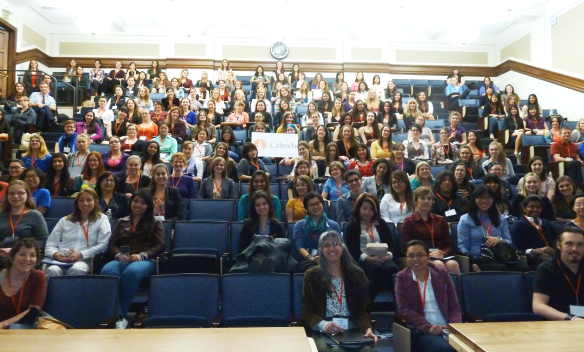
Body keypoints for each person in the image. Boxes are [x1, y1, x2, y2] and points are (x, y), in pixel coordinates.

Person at [301, 230, 377, 352]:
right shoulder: (312, 275)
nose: (332, 248)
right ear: (321, 250)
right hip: (323, 330)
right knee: (336, 351)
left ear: (342, 247)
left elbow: (361, 311)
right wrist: (323, 325)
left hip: (352, 327)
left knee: (368, 350)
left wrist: (368, 328)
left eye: (336, 243)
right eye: (326, 245)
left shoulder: (357, 274)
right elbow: (307, 312)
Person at [101, 190, 165, 329]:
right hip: (122, 259)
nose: (138, 205)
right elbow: (112, 244)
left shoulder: (155, 223)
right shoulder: (121, 221)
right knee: (107, 270)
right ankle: (107, 313)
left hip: (146, 261)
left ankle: (120, 316)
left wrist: (142, 255)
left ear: (148, 206)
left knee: (131, 272)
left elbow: (160, 245)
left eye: (143, 203)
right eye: (135, 201)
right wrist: (118, 255)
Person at [395, 240, 462, 352]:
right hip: (422, 330)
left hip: (448, 328)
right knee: (446, 348)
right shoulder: (402, 277)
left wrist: (453, 327)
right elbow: (404, 310)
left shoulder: (441, 273)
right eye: (411, 256)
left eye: (420, 255)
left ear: (428, 256)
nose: (415, 259)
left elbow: (454, 305)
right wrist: (428, 327)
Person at [457, 185, 530, 272]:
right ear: (474, 199)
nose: (484, 201)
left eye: (488, 198)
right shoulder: (466, 219)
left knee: (525, 269)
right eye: (480, 198)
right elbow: (462, 246)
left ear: (493, 199)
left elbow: (510, 242)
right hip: (479, 258)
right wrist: (470, 262)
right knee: (500, 269)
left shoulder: (501, 219)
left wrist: (499, 239)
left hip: (501, 257)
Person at [43, 188, 111, 277]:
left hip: (84, 260)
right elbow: (50, 244)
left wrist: (81, 254)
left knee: (76, 269)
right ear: (77, 203)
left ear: (96, 202)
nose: (85, 203)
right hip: (61, 260)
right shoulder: (65, 220)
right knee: (53, 270)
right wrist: (55, 254)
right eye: (81, 200)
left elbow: (103, 245)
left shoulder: (102, 219)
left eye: (89, 200)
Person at [345, 193, 399, 300]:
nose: (367, 212)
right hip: (362, 259)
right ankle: (367, 303)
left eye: (371, 209)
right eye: (364, 208)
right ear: (359, 208)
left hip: (383, 257)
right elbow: (351, 249)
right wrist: (368, 258)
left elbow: (392, 245)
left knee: (393, 268)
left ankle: (395, 306)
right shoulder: (352, 225)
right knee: (376, 268)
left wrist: (388, 256)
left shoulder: (381, 223)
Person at [402, 187, 461, 274]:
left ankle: (455, 288)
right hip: (419, 256)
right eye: (422, 198)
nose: (426, 201)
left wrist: (443, 253)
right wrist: (427, 254)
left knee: (453, 265)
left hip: (440, 255)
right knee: (438, 265)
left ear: (432, 201)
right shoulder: (409, 221)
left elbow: (449, 245)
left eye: (429, 198)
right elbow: (406, 245)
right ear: (415, 201)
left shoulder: (440, 220)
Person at [533, 227, 584, 321]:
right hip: (558, 323)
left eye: (580, 244)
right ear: (559, 245)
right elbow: (538, 306)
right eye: (569, 244)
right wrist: (572, 318)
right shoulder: (546, 269)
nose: (575, 249)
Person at [0, 238, 47, 329]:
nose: (27, 259)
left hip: (24, 328)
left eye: (32, 255)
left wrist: (3, 324)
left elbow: (33, 310)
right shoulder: (1, 275)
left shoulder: (37, 277)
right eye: (22, 254)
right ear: (12, 257)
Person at [510, 195, 558, 271]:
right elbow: (517, 248)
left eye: (538, 207)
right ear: (524, 208)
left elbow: (556, 239)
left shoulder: (547, 223)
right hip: (531, 259)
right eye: (531, 207)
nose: (535, 209)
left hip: (552, 256)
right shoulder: (518, 225)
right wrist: (536, 251)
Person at [0, 181, 49, 249]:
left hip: (25, 256)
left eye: (20, 193)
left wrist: (16, 251)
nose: (15, 196)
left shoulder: (35, 215)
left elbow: (43, 241)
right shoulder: (1, 214)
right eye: (11, 193)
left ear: (27, 195)